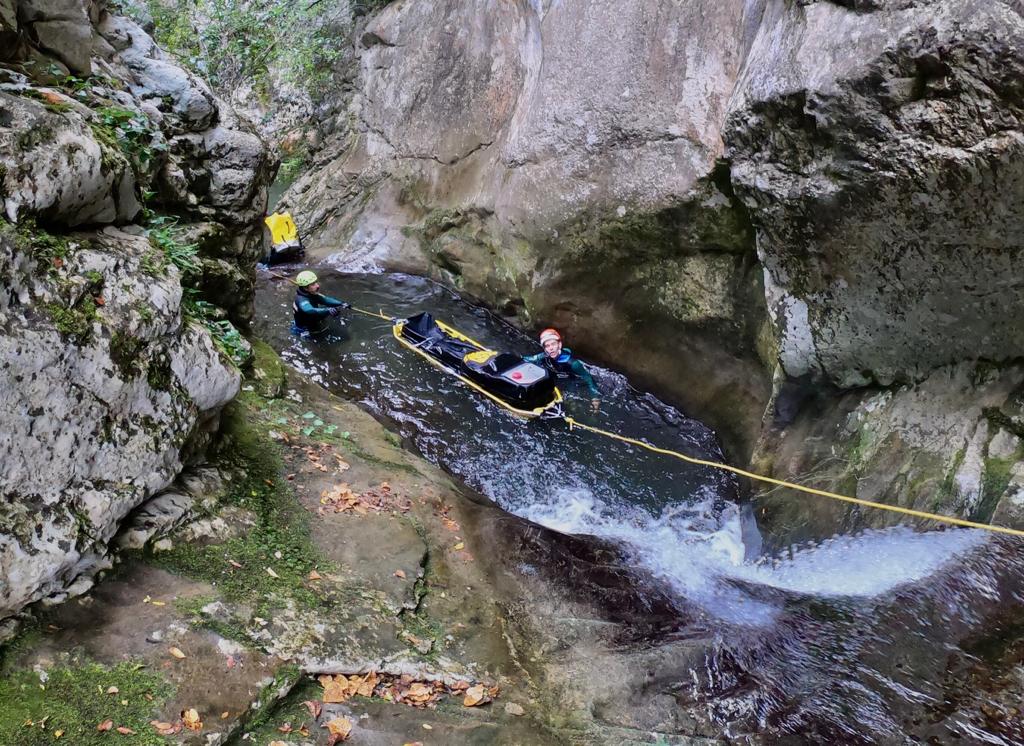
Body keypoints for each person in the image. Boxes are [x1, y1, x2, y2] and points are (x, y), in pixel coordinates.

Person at [524, 328, 601, 412]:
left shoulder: (573, 363)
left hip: (571, 381)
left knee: (572, 405)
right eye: (547, 346)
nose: (551, 348)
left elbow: (588, 378)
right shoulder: (543, 356)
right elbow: (527, 359)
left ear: (559, 345)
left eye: (553, 344)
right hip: (555, 379)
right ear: (545, 349)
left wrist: (595, 398)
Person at [292, 270, 349, 335]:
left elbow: (325, 300)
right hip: (305, 330)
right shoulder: (301, 300)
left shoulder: (311, 293)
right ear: (305, 288)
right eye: (313, 284)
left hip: (313, 321)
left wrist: (341, 303)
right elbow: (309, 310)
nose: (317, 286)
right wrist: (327, 310)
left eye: (316, 282)